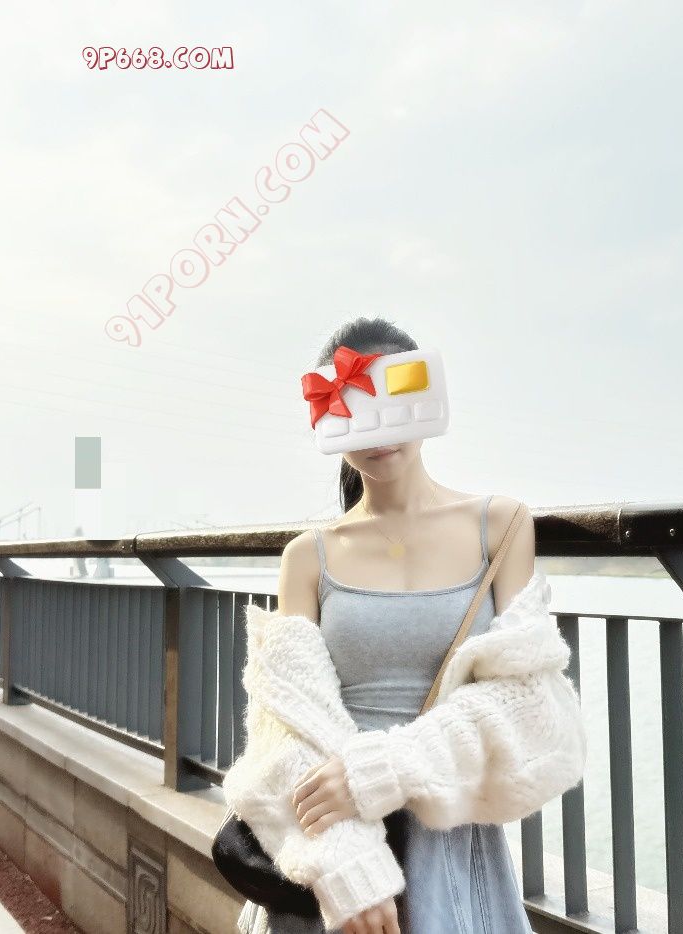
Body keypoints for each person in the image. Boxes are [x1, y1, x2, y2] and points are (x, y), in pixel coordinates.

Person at [266, 315, 538, 933]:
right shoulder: (307, 556)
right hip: (332, 839)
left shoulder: (502, 526)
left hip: (448, 835)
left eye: (393, 404)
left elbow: (526, 701)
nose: (378, 431)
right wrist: (349, 868)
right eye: (355, 408)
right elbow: (283, 725)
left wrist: (381, 771)